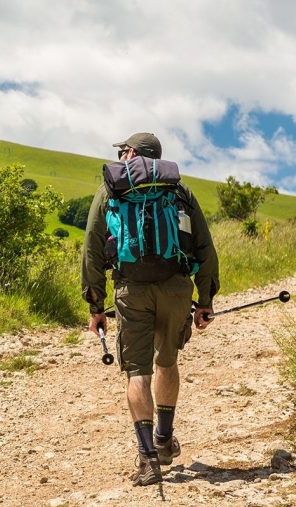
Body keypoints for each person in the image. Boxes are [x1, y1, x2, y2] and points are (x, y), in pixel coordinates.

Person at [82, 132, 219, 486]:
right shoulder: (179, 191)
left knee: (137, 372)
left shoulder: (111, 190)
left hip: (132, 291)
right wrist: (205, 301)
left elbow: (92, 253)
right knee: (167, 361)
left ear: (129, 153)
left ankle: (147, 460)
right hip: (176, 288)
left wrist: (96, 306)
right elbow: (205, 249)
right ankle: (163, 439)